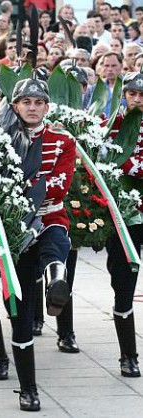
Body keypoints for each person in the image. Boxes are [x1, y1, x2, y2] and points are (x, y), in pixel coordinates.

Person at [8, 78, 75, 411]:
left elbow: (60, 184)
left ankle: (56, 281)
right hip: (13, 226)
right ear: (15, 106)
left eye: (38, 102)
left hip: (49, 216)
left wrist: (27, 186)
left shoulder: (62, 140)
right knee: (19, 311)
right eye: (26, 102)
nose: (32, 108)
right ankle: (27, 388)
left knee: (55, 243)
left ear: (47, 107)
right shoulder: (1, 138)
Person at [105, 71, 143, 378]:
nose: (138, 100)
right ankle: (128, 354)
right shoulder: (111, 127)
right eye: (132, 94)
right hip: (126, 216)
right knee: (123, 285)